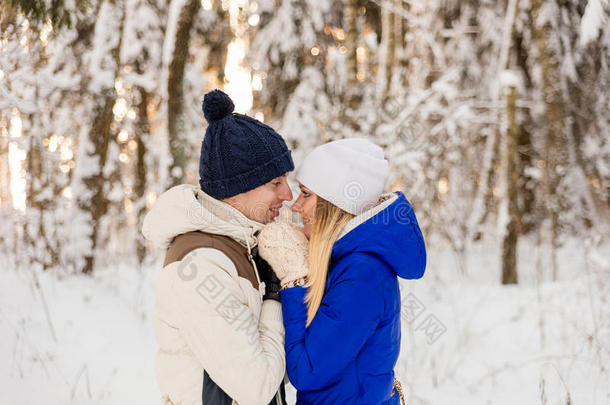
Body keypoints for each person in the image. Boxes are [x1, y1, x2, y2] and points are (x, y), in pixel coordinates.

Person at [142, 89, 293, 405]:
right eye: (275, 183)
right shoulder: (201, 265)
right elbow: (258, 388)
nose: (288, 195)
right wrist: (275, 298)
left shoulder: (240, 247)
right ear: (237, 191)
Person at [258, 138, 427, 405]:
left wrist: (295, 281)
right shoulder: (348, 263)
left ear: (332, 203)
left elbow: (305, 371)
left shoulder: (362, 275)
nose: (296, 206)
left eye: (305, 193)